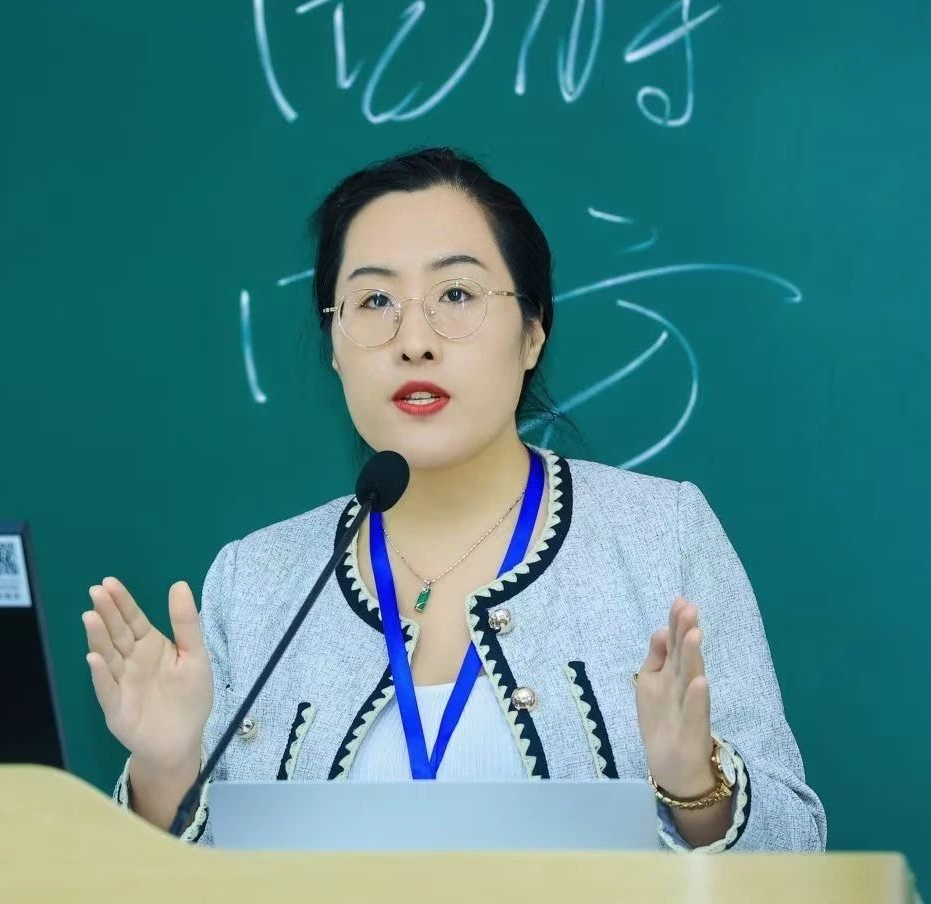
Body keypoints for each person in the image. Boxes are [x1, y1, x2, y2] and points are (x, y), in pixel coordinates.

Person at [83, 147, 825, 852]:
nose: (414, 340)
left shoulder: (663, 535)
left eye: (457, 294)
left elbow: (796, 851)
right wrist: (165, 772)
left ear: (532, 331)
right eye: (374, 300)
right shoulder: (255, 581)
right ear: (334, 346)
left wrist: (696, 784)